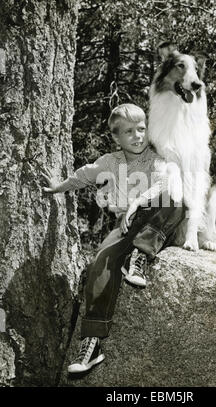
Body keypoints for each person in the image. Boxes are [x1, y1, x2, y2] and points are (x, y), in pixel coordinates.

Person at [42, 103, 185, 374]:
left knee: (177, 201)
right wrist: (57, 187)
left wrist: (137, 202)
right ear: (116, 138)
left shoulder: (156, 160)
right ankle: (92, 343)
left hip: (156, 222)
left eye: (142, 129)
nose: (138, 136)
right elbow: (83, 176)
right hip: (127, 227)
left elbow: (166, 184)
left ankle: (140, 255)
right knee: (101, 262)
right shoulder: (110, 162)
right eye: (129, 131)